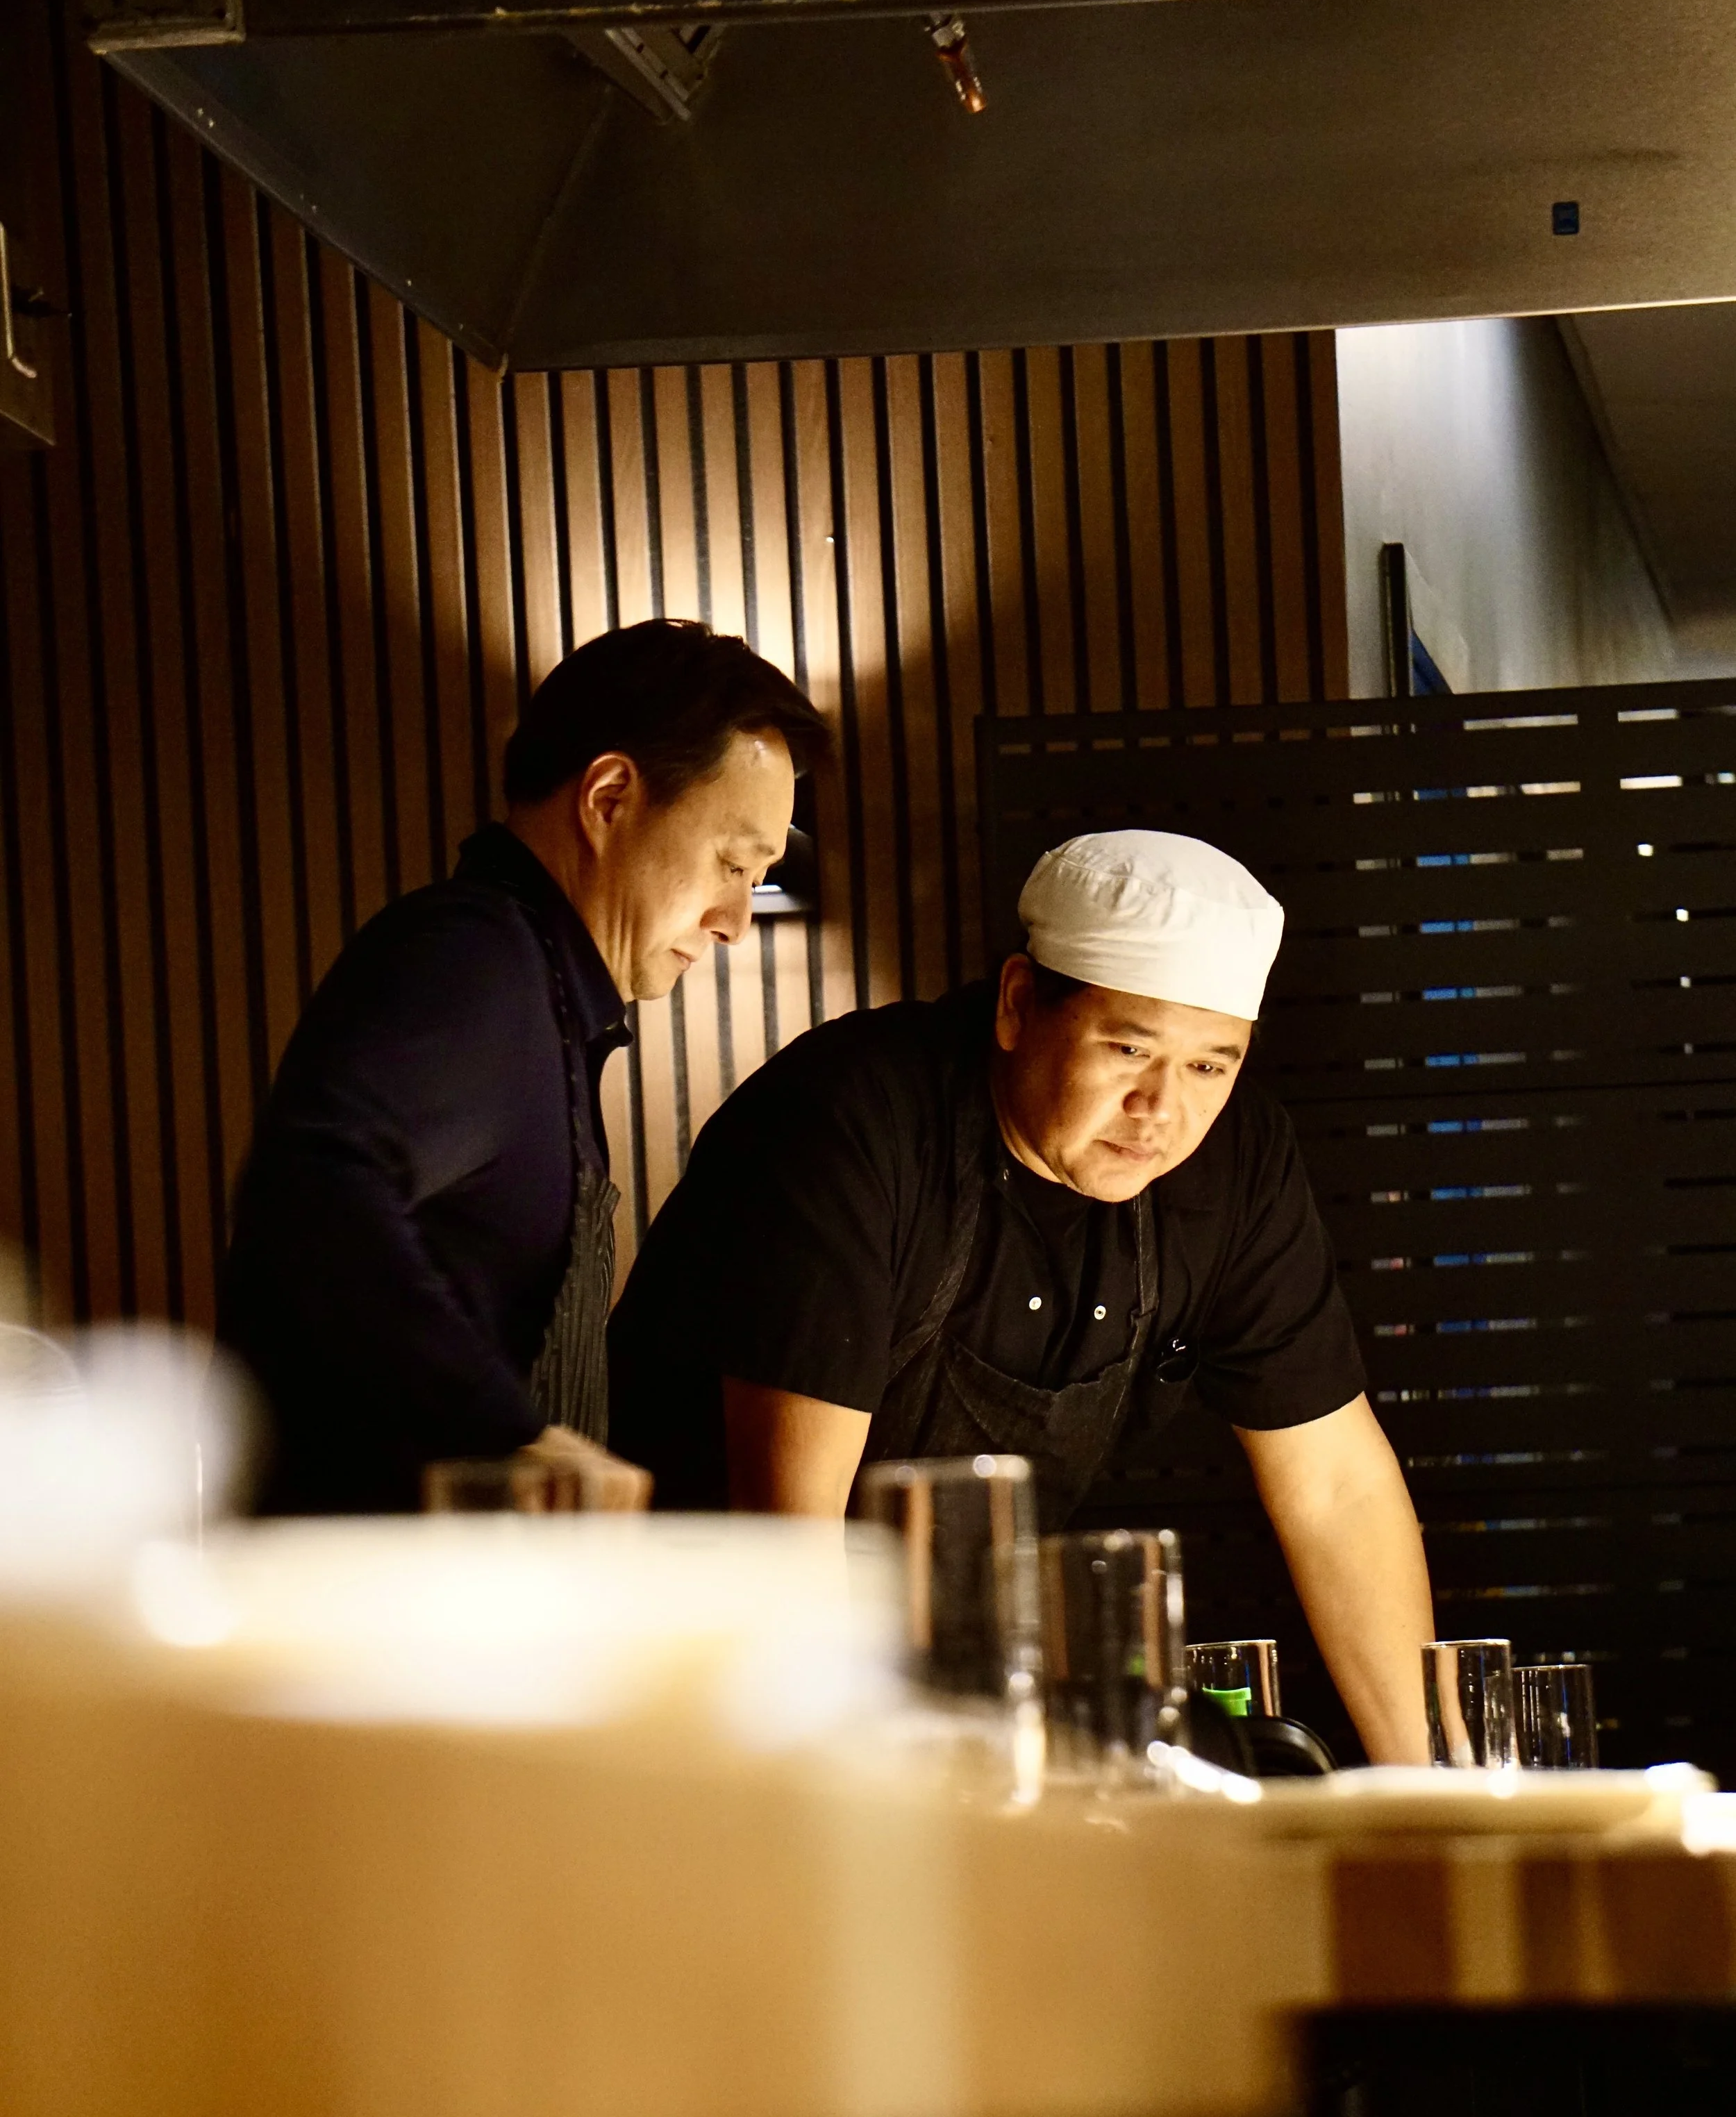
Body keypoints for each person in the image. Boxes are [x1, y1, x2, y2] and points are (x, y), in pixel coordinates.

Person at [608, 830, 1433, 1762]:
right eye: (1128, 1047)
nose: (1162, 1111)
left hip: (951, 1678)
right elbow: (793, 1537)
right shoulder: (856, 1123)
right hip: (680, 1681)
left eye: (1211, 1065)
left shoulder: (1237, 1166)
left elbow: (1336, 1487)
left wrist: (1439, 1792)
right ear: (1015, 1004)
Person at [218, 619, 829, 1515]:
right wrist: (511, 1436)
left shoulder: (543, 989)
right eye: (733, 863)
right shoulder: (477, 957)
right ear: (611, 797)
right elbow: (308, 1186)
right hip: (377, 1619)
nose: (736, 918)